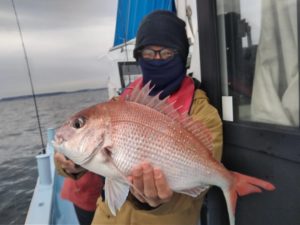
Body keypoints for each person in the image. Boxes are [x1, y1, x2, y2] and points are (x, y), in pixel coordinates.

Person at [55, 10, 223, 225]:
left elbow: (197, 190)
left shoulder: (203, 114)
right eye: (149, 53)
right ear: (138, 57)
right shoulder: (120, 103)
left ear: (182, 56)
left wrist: (155, 202)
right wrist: (70, 163)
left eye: (167, 53)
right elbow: (87, 148)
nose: (157, 59)